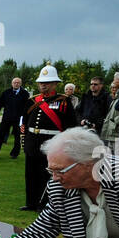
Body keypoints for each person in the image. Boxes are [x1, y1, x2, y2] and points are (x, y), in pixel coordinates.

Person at [20, 65, 77, 209]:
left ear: (55, 84)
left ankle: (45, 204)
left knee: (46, 174)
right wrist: (25, 141)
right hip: (33, 141)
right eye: (41, 83)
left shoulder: (63, 101)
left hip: (52, 143)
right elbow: (24, 122)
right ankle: (31, 203)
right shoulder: (33, 101)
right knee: (31, 173)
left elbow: (70, 125)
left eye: (47, 82)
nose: (43, 85)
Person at [0, 77, 29, 157]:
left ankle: (15, 153)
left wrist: (26, 117)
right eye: (15, 82)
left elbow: (27, 107)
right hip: (6, 118)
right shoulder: (6, 92)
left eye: (18, 82)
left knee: (18, 137)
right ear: (12, 83)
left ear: (20, 84)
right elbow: (0, 104)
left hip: (18, 118)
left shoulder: (25, 93)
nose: (16, 84)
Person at [100, 72, 119, 145]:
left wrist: (116, 121)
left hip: (118, 131)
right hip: (113, 131)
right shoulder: (118, 93)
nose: (113, 81)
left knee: (117, 155)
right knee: (111, 154)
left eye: (115, 79)